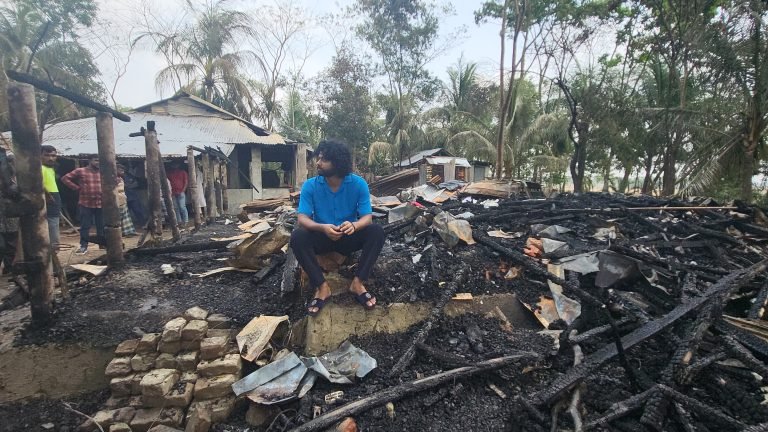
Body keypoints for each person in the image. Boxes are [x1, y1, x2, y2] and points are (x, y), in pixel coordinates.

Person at [290, 139, 385, 316]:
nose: (318, 163)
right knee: (298, 237)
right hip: (322, 237)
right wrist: (322, 227)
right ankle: (322, 287)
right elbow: (302, 218)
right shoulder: (310, 186)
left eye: (323, 160)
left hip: (348, 237)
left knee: (377, 232)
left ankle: (357, 283)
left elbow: (367, 217)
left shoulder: (359, 184)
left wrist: (354, 226)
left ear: (338, 162)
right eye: (318, 158)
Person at [61, 155, 104, 254]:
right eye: (96, 160)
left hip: (100, 203)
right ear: (90, 161)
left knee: (101, 225)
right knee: (85, 226)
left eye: (99, 161)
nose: (98, 163)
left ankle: (102, 244)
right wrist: (76, 188)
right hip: (85, 203)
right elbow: (65, 178)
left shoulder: (102, 172)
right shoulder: (80, 171)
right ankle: (83, 246)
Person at [0, 148, 19, 274]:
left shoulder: (12, 182)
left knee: (11, 244)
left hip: (10, 217)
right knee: (2, 245)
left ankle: (8, 268)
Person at [41, 145, 61, 250]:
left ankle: (53, 248)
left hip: (54, 195)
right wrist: (47, 195)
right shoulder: (40, 168)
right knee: (52, 225)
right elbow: (39, 183)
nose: (51, 158)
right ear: (40, 156)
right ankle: (53, 249)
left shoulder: (50, 168)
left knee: (53, 223)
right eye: (47, 155)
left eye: (53, 155)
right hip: (48, 197)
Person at [116, 165, 137, 237]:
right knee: (118, 216)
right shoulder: (112, 179)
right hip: (116, 199)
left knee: (125, 216)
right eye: (121, 170)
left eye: (123, 170)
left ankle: (128, 232)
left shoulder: (121, 178)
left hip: (123, 198)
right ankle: (119, 232)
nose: (123, 172)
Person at [166, 161, 189, 226]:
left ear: (179, 165)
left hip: (181, 192)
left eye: (176, 164)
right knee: (176, 208)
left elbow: (186, 182)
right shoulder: (169, 173)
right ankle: (179, 221)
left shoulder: (183, 172)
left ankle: (185, 221)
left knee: (182, 207)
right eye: (173, 165)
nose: (174, 166)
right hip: (172, 192)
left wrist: (183, 190)